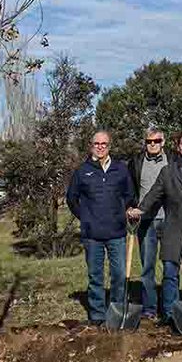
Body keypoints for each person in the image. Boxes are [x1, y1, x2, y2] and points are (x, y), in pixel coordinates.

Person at [127, 132, 182, 327]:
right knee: (170, 273)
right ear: (177, 147)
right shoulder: (167, 171)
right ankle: (169, 314)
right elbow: (153, 194)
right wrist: (139, 210)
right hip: (173, 228)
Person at [66, 130, 136, 326]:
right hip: (92, 235)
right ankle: (97, 315)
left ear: (109, 146)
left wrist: (125, 211)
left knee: (120, 275)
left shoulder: (121, 169)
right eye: (97, 143)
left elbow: (130, 195)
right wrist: (85, 218)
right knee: (95, 276)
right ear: (91, 145)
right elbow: (71, 199)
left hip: (117, 233)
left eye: (104, 144)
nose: (100, 147)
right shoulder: (82, 171)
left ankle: (117, 311)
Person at [127, 127, 170, 321]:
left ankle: (169, 309)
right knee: (147, 268)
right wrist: (130, 206)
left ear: (164, 142)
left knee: (170, 266)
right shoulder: (136, 162)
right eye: (149, 141)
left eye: (157, 141)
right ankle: (150, 308)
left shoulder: (174, 161)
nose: (153, 144)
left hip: (169, 219)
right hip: (145, 221)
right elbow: (129, 188)